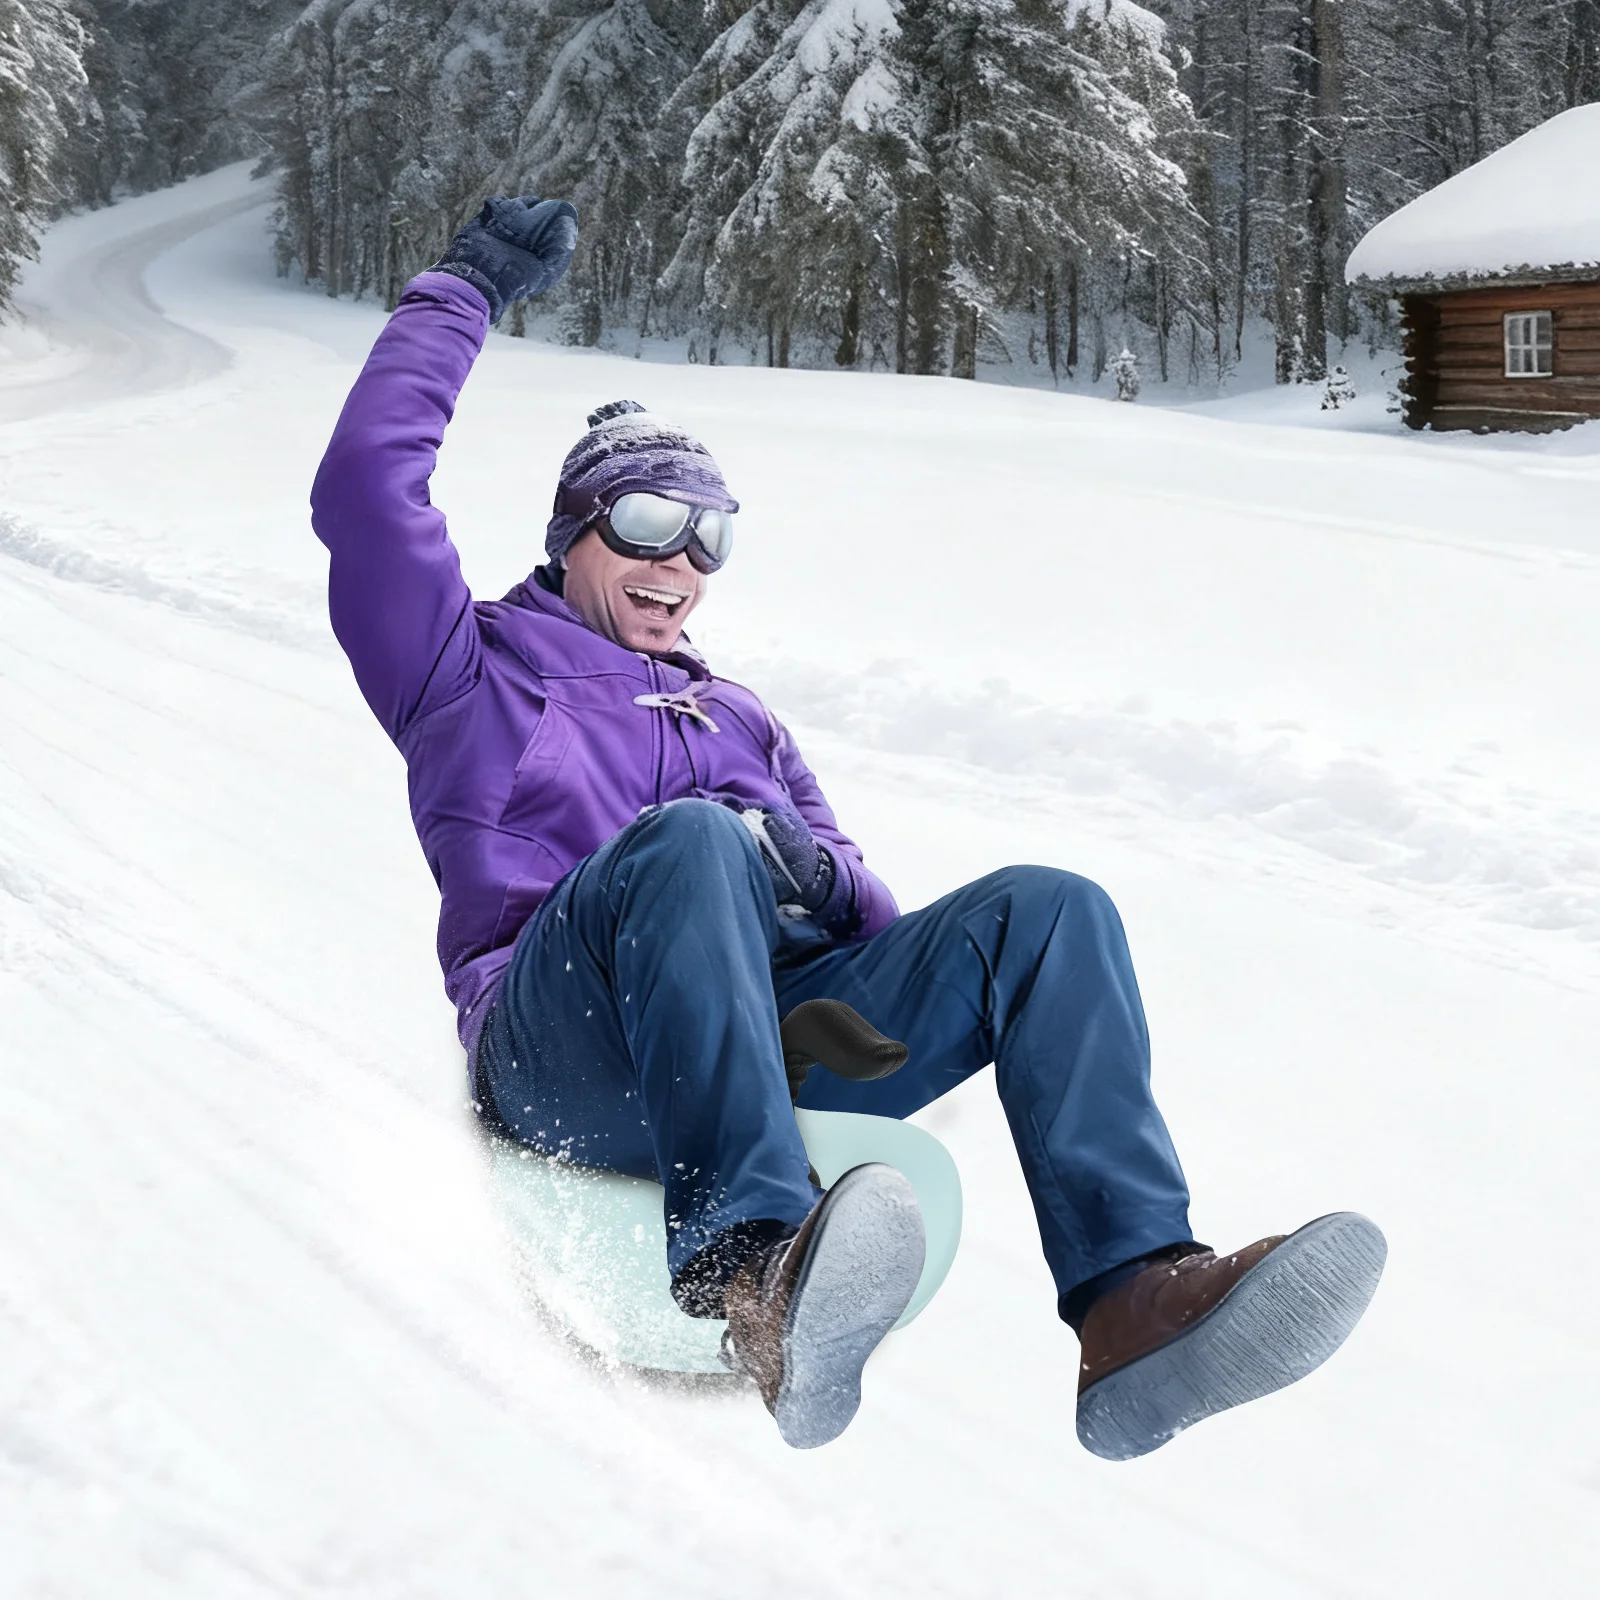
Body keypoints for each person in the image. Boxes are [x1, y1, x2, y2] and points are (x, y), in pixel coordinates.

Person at [310, 195, 1386, 1455]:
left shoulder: (740, 719)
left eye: (708, 535)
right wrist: (464, 289)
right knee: (691, 842)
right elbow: (364, 494)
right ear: (574, 534)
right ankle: (758, 1277)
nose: (682, 562)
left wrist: (817, 869)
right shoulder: (470, 672)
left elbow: (869, 921)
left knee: (1048, 911)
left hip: (769, 1044)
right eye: (649, 523)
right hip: (565, 1059)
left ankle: (1132, 1299)